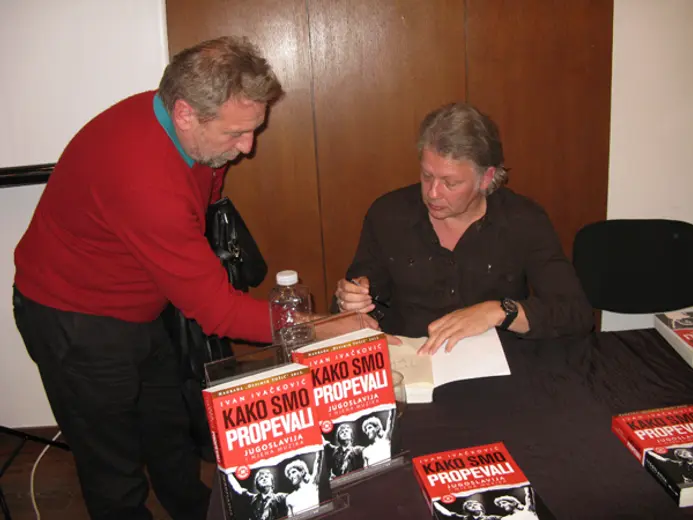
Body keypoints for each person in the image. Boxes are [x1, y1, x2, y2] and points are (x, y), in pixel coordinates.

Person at [11, 36, 286, 520]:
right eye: (236, 133)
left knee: (168, 430)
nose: (247, 148)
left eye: (253, 130)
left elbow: (201, 203)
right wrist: (311, 327)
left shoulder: (180, 127)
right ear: (185, 113)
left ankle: (196, 512)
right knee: (112, 467)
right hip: (74, 320)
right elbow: (217, 311)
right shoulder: (142, 175)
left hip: (138, 304)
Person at [333, 102, 593, 354]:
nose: (433, 193)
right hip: (413, 362)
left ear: (486, 178)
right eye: (427, 176)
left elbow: (575, 314)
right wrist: (350, 301)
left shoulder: (523, 220)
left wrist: (497, 311)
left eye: (451, 183)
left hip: (500, 365)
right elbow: (353, 304)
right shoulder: (388, 215)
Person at [434, 499, 501, 520]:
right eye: (469, 506)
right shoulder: (465, 518)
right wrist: (434, 502)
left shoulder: (492, 518)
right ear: (467, 510)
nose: (473, 506)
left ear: (480, 506)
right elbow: (447, 513)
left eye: (475, 504)